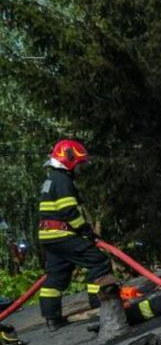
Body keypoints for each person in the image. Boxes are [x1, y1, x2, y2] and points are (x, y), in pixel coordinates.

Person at [37, 139, 118, 330]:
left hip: (49, 236)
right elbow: (68, 211)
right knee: (99, 262)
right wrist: (85, 231)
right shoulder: (63, 180)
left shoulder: (51, 180)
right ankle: (100, 306)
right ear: (69, 159)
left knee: (56, 276)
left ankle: (52, 319)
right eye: (80, 163)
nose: (81, 168)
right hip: (62, 234)